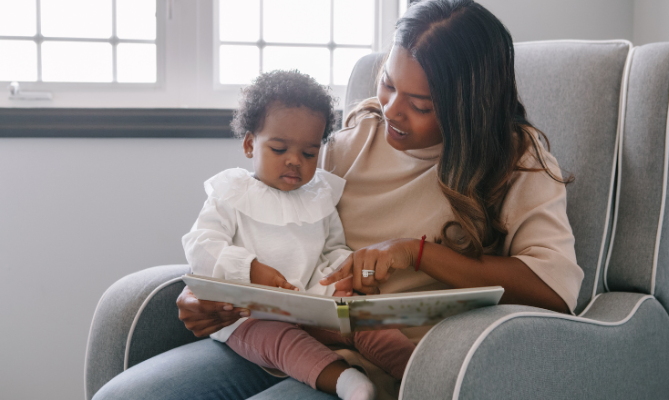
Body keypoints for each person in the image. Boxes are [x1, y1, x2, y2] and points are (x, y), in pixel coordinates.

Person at [92, 1, 583, 399]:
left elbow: (553, 292)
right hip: (279, 335)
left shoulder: (515, 159)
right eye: (388, 84)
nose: (391, 110)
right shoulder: (357, 133)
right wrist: (213, 292)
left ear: (469, 105)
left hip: (377, 363)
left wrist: (415, 253)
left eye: (421, 105)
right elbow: (271, 220)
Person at [181, 70, 416, 400]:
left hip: (313, 304)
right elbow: (201, 244)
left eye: (309, 153)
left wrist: (347, 274)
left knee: (367, 321)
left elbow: (333, 249)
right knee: (283, 341)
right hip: (250, 316)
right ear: (250, 144)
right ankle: (347, 382)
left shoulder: (318, 195)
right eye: (278, 149)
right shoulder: (230, 193)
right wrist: (249, 269)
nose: (294, 161)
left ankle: (421, 375)